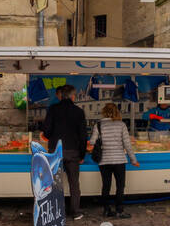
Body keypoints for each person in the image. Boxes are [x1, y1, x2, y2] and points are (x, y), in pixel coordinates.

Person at [44, 85, 89, 217]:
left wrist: (52, 136)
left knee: (54, 183)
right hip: (73, 152)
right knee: (74, 183)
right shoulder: (78, 112)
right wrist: (82, 154)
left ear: (61, 95)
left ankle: (54, 212)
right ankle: (75, 212)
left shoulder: (53, 109)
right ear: (73, 96)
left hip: (55, 152)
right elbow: (83, 136)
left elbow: (46, 131)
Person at [94, 100, 135, 216]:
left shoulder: (98, 125)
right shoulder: (121, 125)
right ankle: (119, 211)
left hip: (104, 161)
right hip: (119, 160)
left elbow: (92, 142)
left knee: (106, 186)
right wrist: (133, 160)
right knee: (120, 186)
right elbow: (127, 144)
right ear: (116, 112)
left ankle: (106, 210)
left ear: (104, 112)